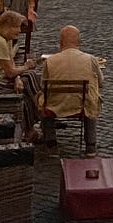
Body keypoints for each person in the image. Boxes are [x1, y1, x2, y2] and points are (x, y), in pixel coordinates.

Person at [39, 24, 104, 153]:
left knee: (42, 99)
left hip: (55, 106)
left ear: (60, 41)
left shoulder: (50, 61)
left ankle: (51, 141)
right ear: (79, 41)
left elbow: (43, 85)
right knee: (92, 98)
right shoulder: (91, 60)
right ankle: (90, 145)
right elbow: (101, 82)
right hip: (82, 106)